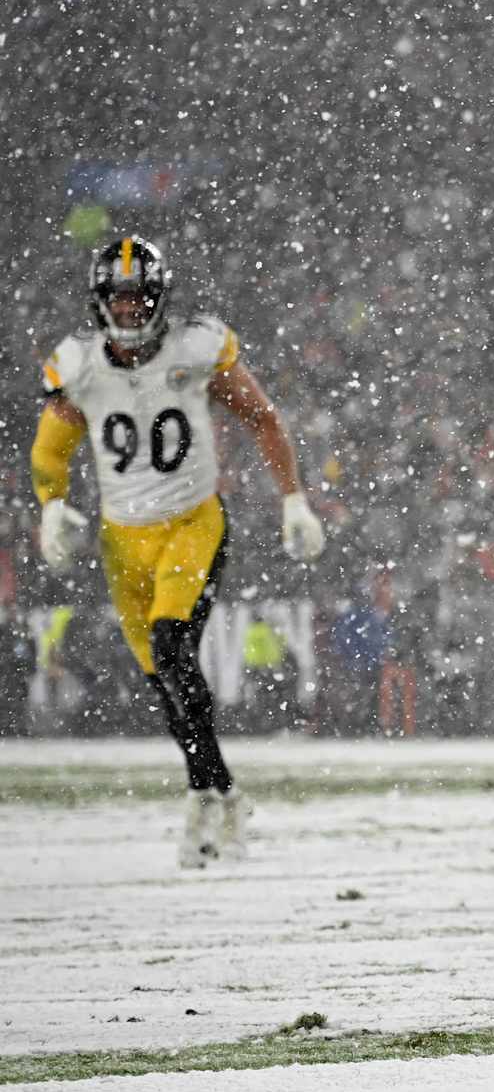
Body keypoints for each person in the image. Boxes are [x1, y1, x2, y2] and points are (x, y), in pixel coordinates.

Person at [30, 235, 326, 867]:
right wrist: (51, 503)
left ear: (161, 299)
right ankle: (223, 791)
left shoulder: (198, 348)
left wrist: (292, 496)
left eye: (141, 298)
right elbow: (49, 451)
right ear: (100, 301)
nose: (132, 310)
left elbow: (262, 417)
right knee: (163, 681)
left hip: (192, 521)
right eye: (121, 298)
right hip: (121, 540)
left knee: (172, 647)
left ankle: (201, 795)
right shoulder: (78, 364)